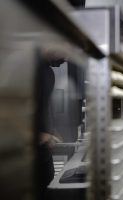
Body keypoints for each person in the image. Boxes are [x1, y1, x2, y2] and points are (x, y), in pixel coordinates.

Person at [36, 47, 65, 200]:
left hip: (44, 157)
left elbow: (44, 107)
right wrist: (40, 135)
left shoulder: (48, 73)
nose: (67, 58)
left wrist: (51, 130)